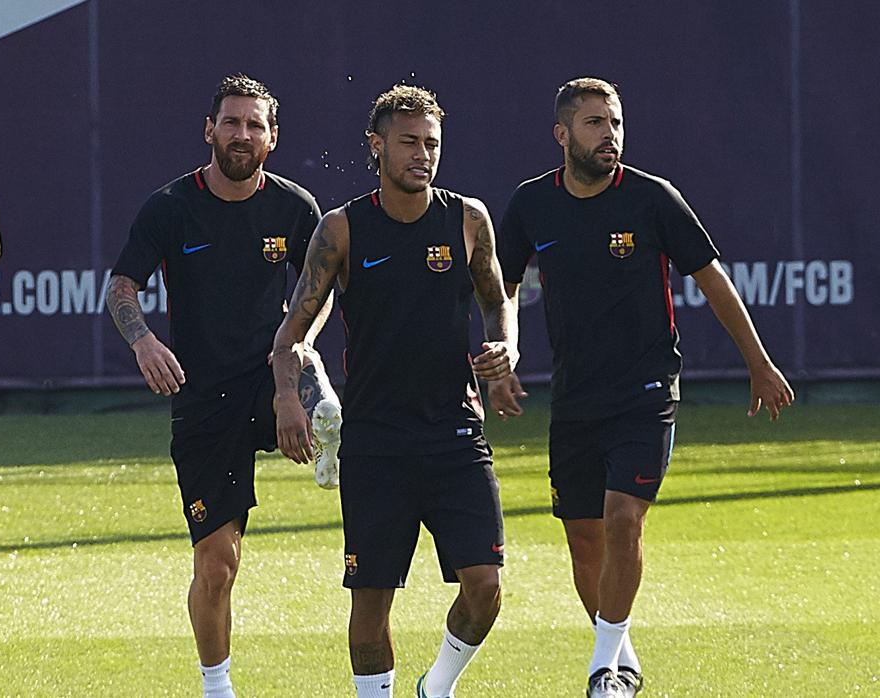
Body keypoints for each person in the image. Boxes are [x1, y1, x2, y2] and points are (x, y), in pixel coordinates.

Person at [492, 77, 794, 698]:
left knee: (623, 519)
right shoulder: (530, 205)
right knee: (583, 538)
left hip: (647, 389)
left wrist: (759, 365)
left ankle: (602, 670)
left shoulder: (653, 198)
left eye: (616, 123)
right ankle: (622, 656)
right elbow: (502, 283)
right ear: (562, 134)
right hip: (574, 396)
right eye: (595, 123)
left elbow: (713, 282)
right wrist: (507, 351)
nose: (610, 136)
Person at [272, 85, 517, 698]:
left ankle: (436, 687)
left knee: (485, 585)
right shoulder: (342, 229)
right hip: (376, 443)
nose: (422, 154)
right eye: (409, 142)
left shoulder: (467, 219)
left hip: (455, 436)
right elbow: (290, 335)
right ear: (377, 146)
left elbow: (496, 302)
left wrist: (505, 347)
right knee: (371, 604)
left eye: (432, 143)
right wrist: (285, 398)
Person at [105, 74, 341, 698]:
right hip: (206, 398)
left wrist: (294, 355)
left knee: (316, 382)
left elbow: (318, 294)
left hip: (274, 375)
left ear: (273, 137)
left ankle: (327, 418)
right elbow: (121, 284)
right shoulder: (170, 207)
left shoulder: (296, 208)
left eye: (254, 125)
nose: (242, 135)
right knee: (218, 563)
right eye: (231, 123)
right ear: (209, 130)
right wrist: (143, 340)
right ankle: (217, 687)